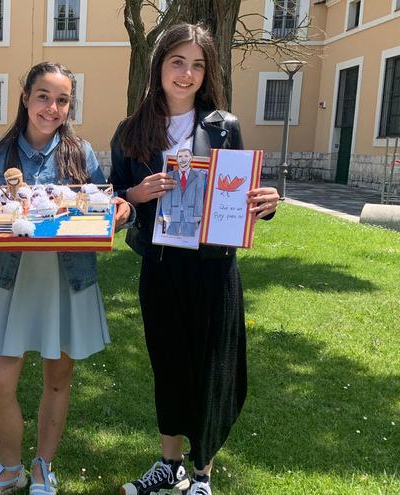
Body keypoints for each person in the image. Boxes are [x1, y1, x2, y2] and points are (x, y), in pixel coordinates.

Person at [108, 23, 279, 495]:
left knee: (210, 368)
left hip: (213, 267)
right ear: (159, 65)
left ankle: (201, 473)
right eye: (177, 62)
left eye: (197, 65)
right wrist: (134, 194)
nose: (186, 74)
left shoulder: (224, 126)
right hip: (160, 268)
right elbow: (114, 204)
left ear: (207, 73)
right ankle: (170, 464)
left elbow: (238, 194)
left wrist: (263, 202)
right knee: (169, 364)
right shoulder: (131, 132)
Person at [0, 62, 133, 495]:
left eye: (62, 100)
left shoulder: (81, 154)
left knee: (57, 378)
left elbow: (101, 208)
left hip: (67, 279)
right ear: (25, 98)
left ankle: (42, 467)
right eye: (43, 96)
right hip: (14, 280)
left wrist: (119, 213)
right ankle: (10, 470)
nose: (52, 107)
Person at [159, 148, 207, 237]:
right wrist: (164, 213)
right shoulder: (169, 175)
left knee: (189, 236)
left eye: (186, 156)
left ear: (191, 158)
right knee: (170, 236)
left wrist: (198, 214)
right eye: (180, 156)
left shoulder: (200, 176)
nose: (183, 159)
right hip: (173, 212)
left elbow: (199, 197)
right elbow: (167, 196)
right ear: (177, 159)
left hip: (190, 213)